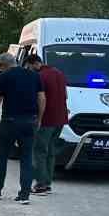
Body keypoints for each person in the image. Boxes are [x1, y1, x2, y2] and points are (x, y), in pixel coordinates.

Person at [0, 51, 45, 203]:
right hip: (30, 121)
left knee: (2, 155)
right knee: (26, 157)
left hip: (10, 121)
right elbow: (42, 98)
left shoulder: (5, 76)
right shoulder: (34, 75)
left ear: (1, 65)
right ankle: (24, 194)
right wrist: (39, 119)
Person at [31, 50, 69, 194]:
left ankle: (41, 184)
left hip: (47, 119)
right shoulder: (59, 73)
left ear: (34, 64)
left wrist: (39, 118)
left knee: (39, 150)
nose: (29, 70)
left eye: (29, 67)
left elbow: (41, 98)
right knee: (51, 151)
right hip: (60, 119)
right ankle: (48, 182)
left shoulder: (40, 76)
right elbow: (65, 95)